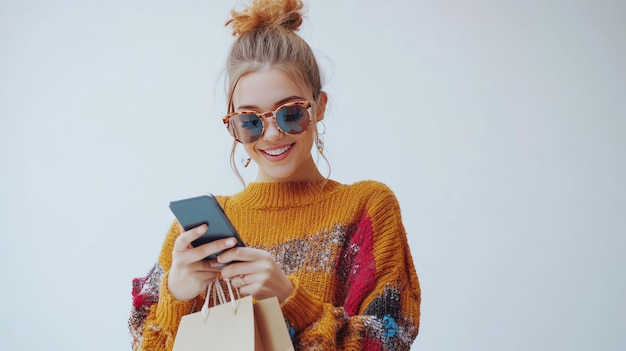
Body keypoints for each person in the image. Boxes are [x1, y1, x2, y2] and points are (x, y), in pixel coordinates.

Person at [128, 0, 421, 349]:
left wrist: (289, 298)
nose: (271, 135)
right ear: (233, 126)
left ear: (320, 106)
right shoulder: (196, 237)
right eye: (250, 121)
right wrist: (176, 295)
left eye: (290, 113)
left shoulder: (366, 209)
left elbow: (385, 342)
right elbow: (145, 341)